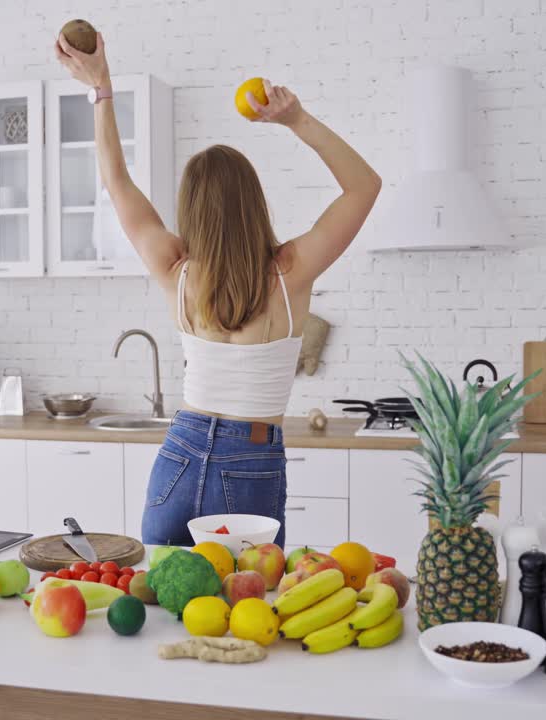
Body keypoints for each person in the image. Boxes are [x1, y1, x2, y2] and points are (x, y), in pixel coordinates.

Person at [55, 32, 380, 548]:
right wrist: (296, 120)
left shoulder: (175, 269)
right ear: (255, 202)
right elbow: (364, 185)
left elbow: (116, 182)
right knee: (241, 614)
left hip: (179, 452)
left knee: (163, 604)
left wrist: (102, 90)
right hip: (252, 460)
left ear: (191, 211)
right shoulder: (290, 272)